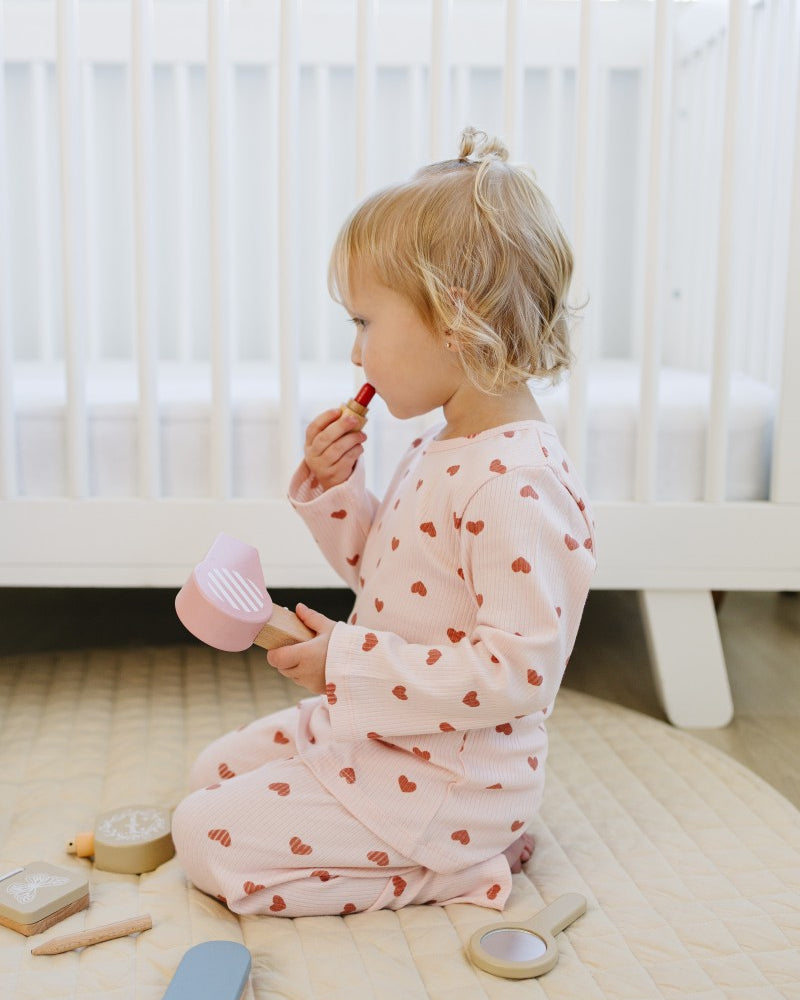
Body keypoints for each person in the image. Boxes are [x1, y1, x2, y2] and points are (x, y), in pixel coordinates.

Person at [172, 127, 596, 918]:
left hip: (445, 782)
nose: (357, 356)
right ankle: (420, 834)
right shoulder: (445, 446)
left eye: (365, 323)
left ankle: (458, 868)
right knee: (209, 774)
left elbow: (518, 673)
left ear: (454, 319)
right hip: (383, 730)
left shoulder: (517, 483)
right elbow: (393, 580)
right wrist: (338, 490)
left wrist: (348, 660)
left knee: (203, 836)